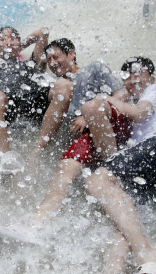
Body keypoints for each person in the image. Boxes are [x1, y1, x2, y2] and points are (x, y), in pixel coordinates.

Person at [66, 57, 156, 274]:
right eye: (127, 76)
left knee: (97, 182)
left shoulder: (154, 90)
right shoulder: (129, 95)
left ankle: (148, 253)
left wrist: (108, 100)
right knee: (119, 210)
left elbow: (141, 113)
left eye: (137, 74)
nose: (132, 80)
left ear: (151, 77)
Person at [32, 38, 132, 221]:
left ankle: (37, 221)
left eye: (57, 57)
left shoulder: (93, 69)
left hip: (99, 129)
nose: (53, 64)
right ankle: (41, 222)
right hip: (78, 139)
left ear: (72, 54)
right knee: (68, 172)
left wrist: (89, 115)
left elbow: (123, 93)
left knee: (66, 170)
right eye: (49, 61)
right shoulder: (55, 85)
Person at [0, 26, 51, 154]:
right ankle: (4, 157)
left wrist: (16, 47)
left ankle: (33, 152)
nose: (9, 42)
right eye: (3, 39)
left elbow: (42, 31)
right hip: (7, 111)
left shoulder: (31, 63)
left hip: (33, 107)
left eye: (13, 39)